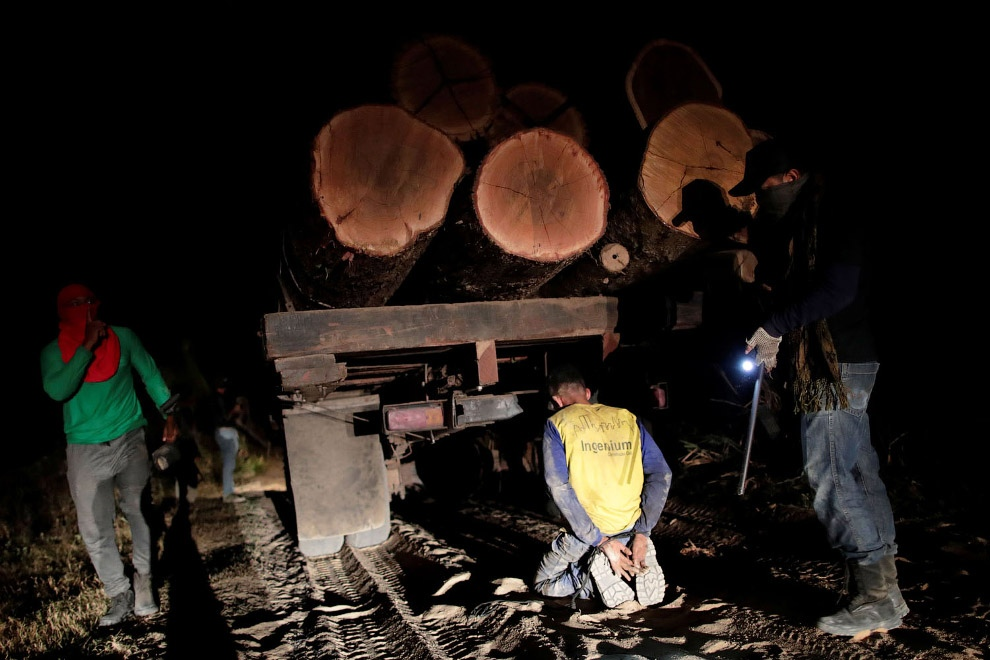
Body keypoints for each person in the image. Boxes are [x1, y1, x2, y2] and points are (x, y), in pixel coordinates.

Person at [729, 137, 907, 636]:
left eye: (763, 187)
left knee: (828, 472)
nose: (761, 199)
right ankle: (879, 587)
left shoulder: (835, 217)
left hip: (838, 366)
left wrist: (775, 327)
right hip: (845, 362)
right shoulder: (801, 227)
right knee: (857, 469)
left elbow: (836, 289)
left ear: (791, 176)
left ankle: (876, 595)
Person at [40, 283, 178, 627]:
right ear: (62, 310)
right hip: (84, 450)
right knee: (94, 526)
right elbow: (59, 390)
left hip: (129, 437)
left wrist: (169, 412)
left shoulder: (124, 337)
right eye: (73, 304)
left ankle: (144, 582)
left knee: (139, 512)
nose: (83, 308)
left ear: (97, 305)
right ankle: (119, 594)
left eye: (88, 301)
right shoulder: (53, 352)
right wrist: (86, 345)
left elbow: (149, 372)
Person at [534, 364, 673, 609]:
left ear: (556, 400)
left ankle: (591, 578)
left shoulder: (557, 423)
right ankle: (623, 562)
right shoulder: (627, 417)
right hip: (630, 527)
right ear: (587, 393)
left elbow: (558, 484)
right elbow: (661, 473)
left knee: (545, 583)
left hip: (591, 531)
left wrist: (600, 541)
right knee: (613, 545)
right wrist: (643, 532)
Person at [213, 377, 245, 503]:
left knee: (230, 463)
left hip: (225, 432)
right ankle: (228, 493)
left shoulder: (220, 398)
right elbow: (223, 418)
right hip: (224, 432)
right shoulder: (217, 399)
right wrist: (234, 411)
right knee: (229, 463)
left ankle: (229, 490)